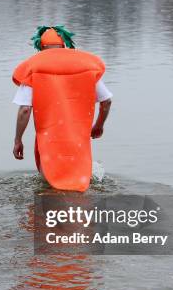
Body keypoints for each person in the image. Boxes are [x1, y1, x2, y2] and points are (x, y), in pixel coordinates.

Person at [11, 26, 112, 192]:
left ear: (41, 48)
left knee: (52, 186)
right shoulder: (85, 65)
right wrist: (98, 125)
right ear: (65, 45)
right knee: (77, 187)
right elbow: (106, 101)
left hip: (49, 141)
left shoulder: (33, 67)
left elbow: (24, 110)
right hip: (78, 139)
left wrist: (18, 140)